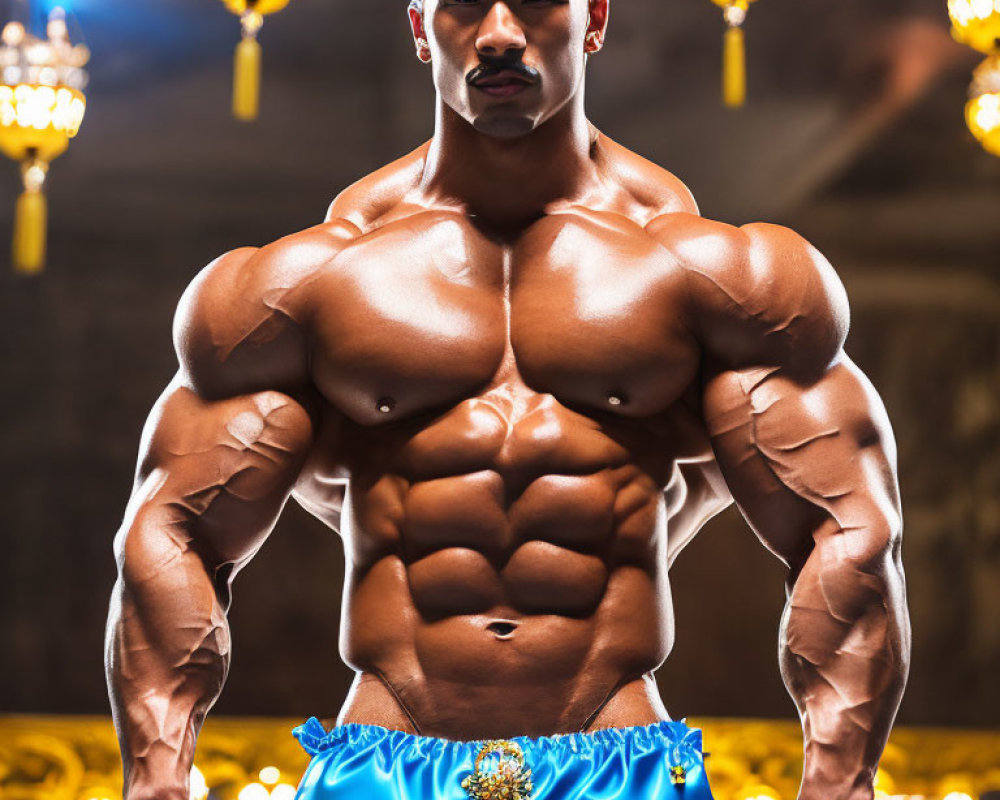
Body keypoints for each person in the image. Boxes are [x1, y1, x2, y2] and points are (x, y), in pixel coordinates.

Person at [105, 1, 911, 798]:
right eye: (460, 5)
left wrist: (839, 784)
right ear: (420, 28)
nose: (496, 34)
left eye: (532, 1)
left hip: (617, 758)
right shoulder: (310, 286)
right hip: (383, 760)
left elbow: (848, 528)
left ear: (593, 19)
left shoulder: (720, 279)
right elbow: (170, 526)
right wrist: (158, 778)